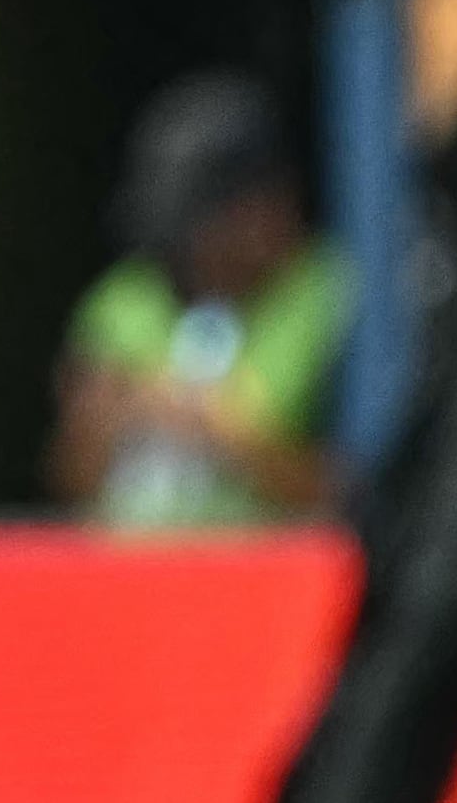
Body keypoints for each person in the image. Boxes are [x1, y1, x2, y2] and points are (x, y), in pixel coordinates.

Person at [50, 72, 353, 529]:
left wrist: (216, 432)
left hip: (266, 579)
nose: (181, 253)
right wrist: (102, 427)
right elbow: (68, 485)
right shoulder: (123, 300)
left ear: (263, 208)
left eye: (197, 229)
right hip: (129, 578)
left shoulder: (325, 294)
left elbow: (354, 493)